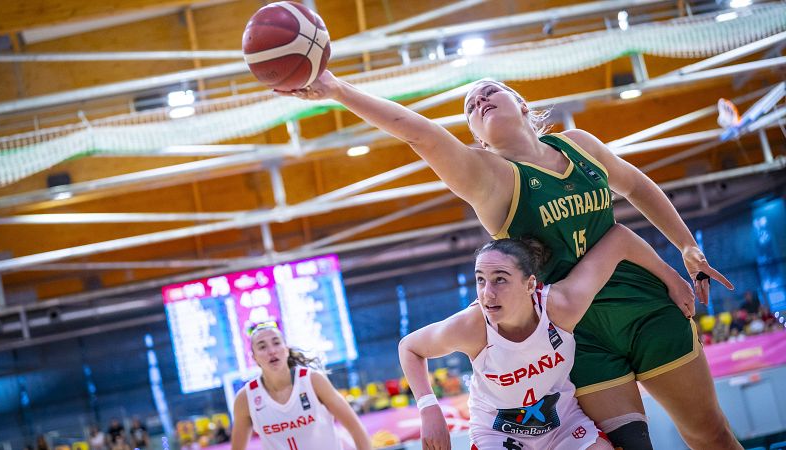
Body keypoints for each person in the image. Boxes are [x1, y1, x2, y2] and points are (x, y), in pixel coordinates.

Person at [282, 72, 739, 449]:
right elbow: (418, 133)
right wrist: (338, 90)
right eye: (470, 107)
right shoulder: (491, 179)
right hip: (577, 332)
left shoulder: (579, 144)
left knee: (710, 434)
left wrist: (685, 247)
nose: (478, 100)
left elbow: (637, 187)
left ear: (522, 104)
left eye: (489, 91)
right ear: (477, 140)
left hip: (645, 305)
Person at [400, 225, 687, 449]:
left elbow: (619, 239)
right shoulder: (470, 326)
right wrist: (428, 408)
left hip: (562, 423)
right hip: (498, 432)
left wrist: (673, 279)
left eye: (500, 279)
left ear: (530, 285)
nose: (487, 293)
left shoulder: (561, 307)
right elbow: (410, 347)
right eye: (480, 279)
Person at [230, 322, 372, 450]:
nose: (271, 351)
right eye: (262, 346)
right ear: (254, 357)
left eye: (276, 343)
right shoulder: (246, 398)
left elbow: (356, 428)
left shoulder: (312, 380)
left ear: (286, 349)